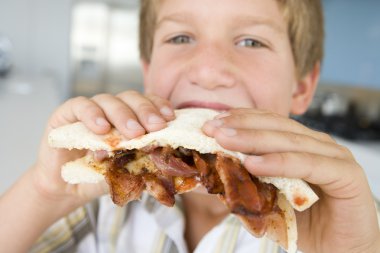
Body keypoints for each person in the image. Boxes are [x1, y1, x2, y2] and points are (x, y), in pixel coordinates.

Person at [1, 0, 379, 252]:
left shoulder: (347, 221)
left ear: (302, 86)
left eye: (251, 41)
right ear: (149, 72)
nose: (209, 71)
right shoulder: (94, 200)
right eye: (180, 37)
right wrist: (43, 194)